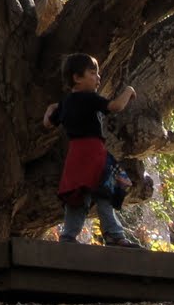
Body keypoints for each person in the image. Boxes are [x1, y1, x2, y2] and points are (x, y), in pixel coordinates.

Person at [42, 52, 140, 246]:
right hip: (93, 153)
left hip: (76, 156)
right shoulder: (90, 98)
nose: (98, 77)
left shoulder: (66, 103)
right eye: (93, 73)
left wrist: (50, 109)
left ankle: (68, 235)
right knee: (105, 193)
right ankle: (113, 234)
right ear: (77, 78)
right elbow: (116, 106)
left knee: (77, 197)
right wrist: (128, 90)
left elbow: (47, 124)